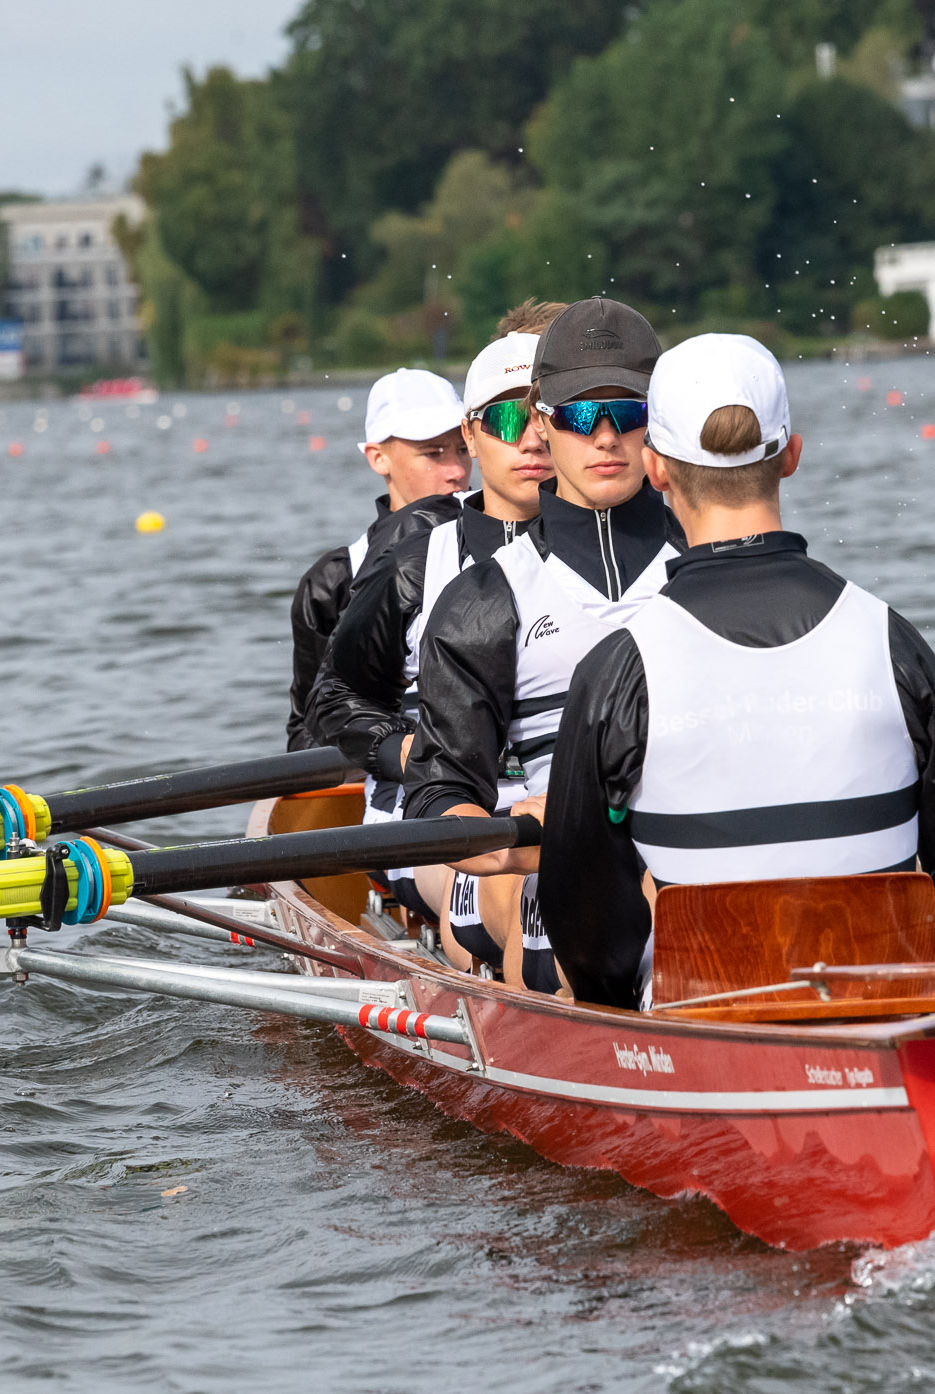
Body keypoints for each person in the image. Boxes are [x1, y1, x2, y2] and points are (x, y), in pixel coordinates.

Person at [534, 334, 935, 1009]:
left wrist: (613, 1004)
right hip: (891, 1009)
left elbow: (583, 915)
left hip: (705, 1011)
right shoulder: (888, 638)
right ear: (792, 455)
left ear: (655, 470)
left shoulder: (619, 669)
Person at [404, 299, 684, 991]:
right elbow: (439, 798)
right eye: (583, 416)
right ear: (543, 422)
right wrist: (515, 838)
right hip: (558, 894)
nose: (607, 438)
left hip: (697, 879)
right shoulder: (485, 600)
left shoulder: (708, 563)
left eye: (627, 414)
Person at [306, 306, 562, 949]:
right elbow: (333, 701)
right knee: (517, 885)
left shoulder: (629, 552)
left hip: (573, 811)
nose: (530, 439)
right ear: (474, 437)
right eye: (507, 420)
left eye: (547, 417)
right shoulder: (417, 562)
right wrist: (422, 758)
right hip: (434, 821)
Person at [284, 368, 469, 750]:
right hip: (393, 785)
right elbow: (305, 735)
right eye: (433, 453)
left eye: (463, 449)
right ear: (378, 458)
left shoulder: (510, 546)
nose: (456, 471)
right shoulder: (331, 583)